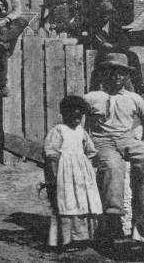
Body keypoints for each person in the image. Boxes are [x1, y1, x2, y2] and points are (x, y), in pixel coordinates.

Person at [83, 53, 144, 244]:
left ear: (127, 76)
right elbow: (79, 125)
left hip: (126, 139)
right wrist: (85, 145)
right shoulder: (92, 97)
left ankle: (143, 205)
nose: (117, 76)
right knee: (112, 165)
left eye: (122, 73)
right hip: (102, 140)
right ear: (103, 73)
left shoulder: (134, 98)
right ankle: (114, 217)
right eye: (112, 71)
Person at [43, 95, 102, 252]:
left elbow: (90, 150)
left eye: (79, 116)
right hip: (65, 174)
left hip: (81, 174)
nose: (76, 119)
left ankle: (83, 238)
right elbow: (52, 155)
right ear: (64, 114)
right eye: (72, 115)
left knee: (83, 202)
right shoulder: (58, 130)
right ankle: (67, 240)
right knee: (67, 203)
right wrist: (55, 177)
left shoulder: (81, 131)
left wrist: (85, 165)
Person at [91, 0, 142, 93]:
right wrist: (102, 45)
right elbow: (91, 41)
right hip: (103, 54)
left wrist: (112, 46)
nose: (105, 15)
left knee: (133, 56)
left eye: (107, 13)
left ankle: (139, 87)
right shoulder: (94, 27)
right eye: (103, 13)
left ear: (111, 14)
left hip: (117, 52)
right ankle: (96, 88)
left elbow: (125, 43)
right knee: (98, 66)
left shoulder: (115, 26)